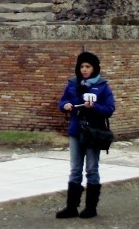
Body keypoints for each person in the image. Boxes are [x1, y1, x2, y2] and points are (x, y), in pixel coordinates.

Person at [55, 51, 115, 219]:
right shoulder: (73, 83)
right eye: (81, 66)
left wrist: (94, 107)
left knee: (91, 168)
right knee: (75, 169)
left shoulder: (102, 86)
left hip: (93, 132)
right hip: (76, 130)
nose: (84, 70)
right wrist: (65, 105)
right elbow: (62, 102)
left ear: (94, 68)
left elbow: (109, 109)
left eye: (87, 66)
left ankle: (91, 207)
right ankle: (71, 207)